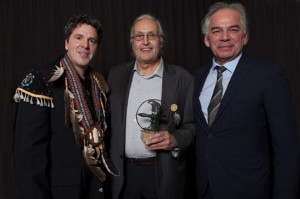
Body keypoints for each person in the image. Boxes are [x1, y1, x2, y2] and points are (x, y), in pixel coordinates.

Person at [194, 2, 300, 199]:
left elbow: (286, 151)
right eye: (216, 31)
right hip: (205, 189)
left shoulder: (269, 76)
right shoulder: (198, 77)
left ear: (245, 36)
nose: (224, 37)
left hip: (250, 190)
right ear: (207, 39)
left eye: (233, 30)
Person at [13, 14, 118, 199]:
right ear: (66, 43)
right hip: (59, 192)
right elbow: (28, 159)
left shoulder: (99, 85)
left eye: (91, 40)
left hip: (95, 190)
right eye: (79, 37)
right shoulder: (41, 81)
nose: (85, 45)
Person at [107, 14, 195, 199]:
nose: (145, 42)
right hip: (123, 175)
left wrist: (175, 139)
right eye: (139, 36)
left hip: (163, 174)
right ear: (132, 43)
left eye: (151, 36)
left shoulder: (182, 78)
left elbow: (192, 126)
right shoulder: (115, 76)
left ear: (161, 41)